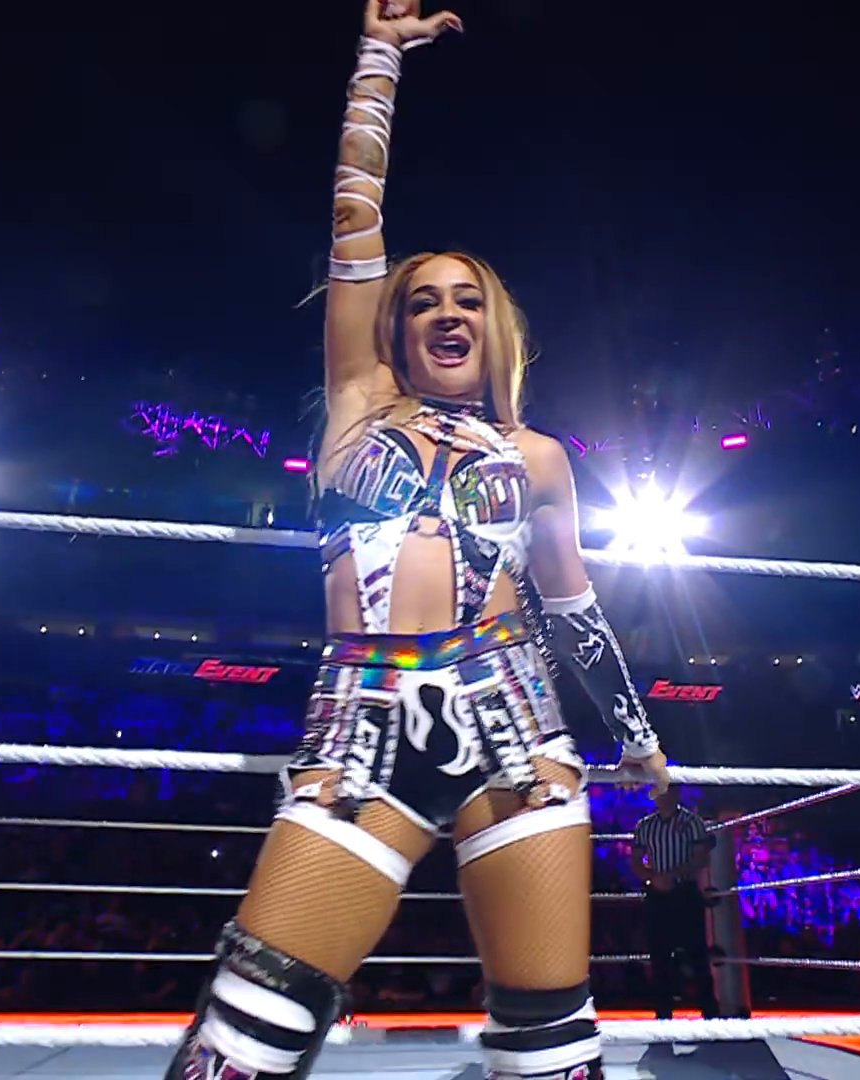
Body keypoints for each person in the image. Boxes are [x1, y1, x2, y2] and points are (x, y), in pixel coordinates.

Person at [163, 3, 672, 1078]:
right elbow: (354, 221)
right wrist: (379, 60)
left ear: (496, 328)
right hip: (364, 722)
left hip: (517, 728)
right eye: (425, 300)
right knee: (242, 1042)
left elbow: (573, 607)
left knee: (552, 1049)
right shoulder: (358, 407)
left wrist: (638, 736)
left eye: (469, 301)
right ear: (392, 328)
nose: (448, 313)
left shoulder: (539, 456)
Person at [631, 784, 720, 1020]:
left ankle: (710, 1015)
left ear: (676, 794)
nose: (664, 796)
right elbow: (636, 861)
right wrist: (653, 877)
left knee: (697, 954)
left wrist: (671, 875)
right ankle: (663, 1016)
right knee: (659, 956)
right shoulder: (645, 826)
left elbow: (701, 859)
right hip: (657, 895)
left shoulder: (692, 822)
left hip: (684, 892)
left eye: (668, 791)